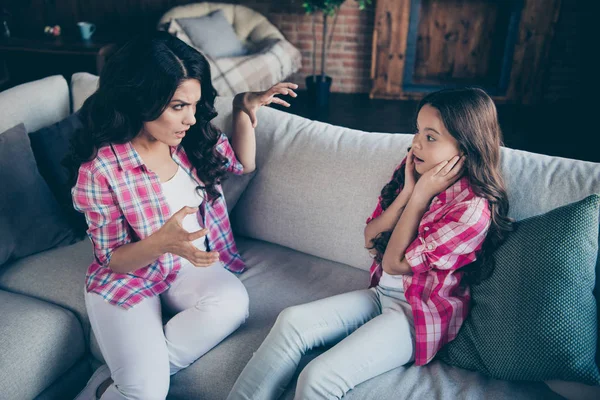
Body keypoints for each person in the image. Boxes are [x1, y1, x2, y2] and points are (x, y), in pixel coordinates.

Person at [227, 87, 513, 400]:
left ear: (466, 148)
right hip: (381, 292)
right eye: (418, 131)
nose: (416, 143)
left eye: (431, 137)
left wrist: (418, 199)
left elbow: (393, 263)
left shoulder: (470, 210)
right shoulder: (412, 170)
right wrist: (407, 193)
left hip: (416, 314)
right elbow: (371, 237)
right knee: (291, 322)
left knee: (318, 378)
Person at [69, 31, 297, 400]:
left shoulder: (191, 140)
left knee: (232, 303)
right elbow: (112, 260)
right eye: (178, 106)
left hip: (189, 268)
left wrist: (241, 107)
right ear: (140, 100)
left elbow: (244, 163)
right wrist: (162, 242)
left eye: (195, 104)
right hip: (132, 276)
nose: (190, 118)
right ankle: (134, 383)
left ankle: (118, 381)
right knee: (146, 393)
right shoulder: (102, 168)